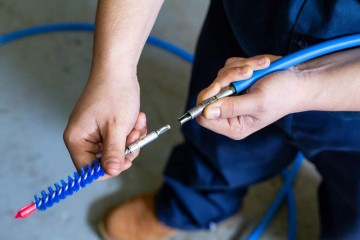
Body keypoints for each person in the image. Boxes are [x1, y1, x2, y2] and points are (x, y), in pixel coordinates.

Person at [63, 0, 360, 239]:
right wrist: (114, 71)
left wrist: (305, 87)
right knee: (217, 147)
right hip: (245, 34)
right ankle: (196, 205)